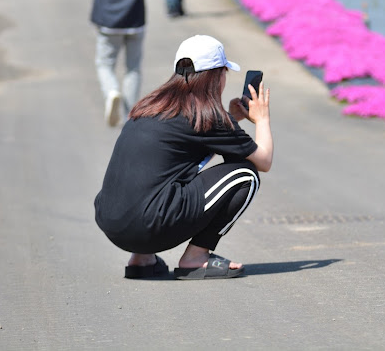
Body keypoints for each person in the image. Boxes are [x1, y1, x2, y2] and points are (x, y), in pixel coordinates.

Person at [94, 35, 274, 280]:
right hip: (147, 225)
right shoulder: (208, 118)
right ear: (216, 77)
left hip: (112, 222)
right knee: (245, 175)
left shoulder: (151, 106)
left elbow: (183, 152)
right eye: (223, 73)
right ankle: (195, 258)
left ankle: (142, 259)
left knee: (154, 177)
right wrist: (262, 119)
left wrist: (232, 120)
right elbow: (263, 161)